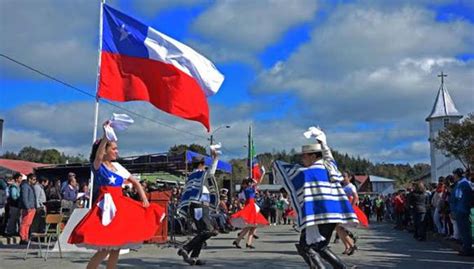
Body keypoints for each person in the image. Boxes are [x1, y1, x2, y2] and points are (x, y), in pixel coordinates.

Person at [68, 120, 165, 269]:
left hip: (120, 204)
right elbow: (99, 156)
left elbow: (135, 182)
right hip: (106, 206)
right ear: (105, 150)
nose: (117, 151)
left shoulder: (119, 167)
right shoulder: (98, 166)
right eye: (114, 149)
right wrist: (106, 136)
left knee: (117, 246)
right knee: (105, 248)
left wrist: (144, 198)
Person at [273, 127, 358, 269]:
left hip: (318, 216)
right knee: (321, 247)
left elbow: (282, 169)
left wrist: (276, 164)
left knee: (307, 248)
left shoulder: (306, 173)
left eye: (304, 156)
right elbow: (328, 156)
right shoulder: (330, 168)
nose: (302, 159)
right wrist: (322, 140)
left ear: (313, 156)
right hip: (333, 215)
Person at [177, 150, 219, 266]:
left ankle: (194, 257)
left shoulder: (191, 176)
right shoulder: (202, 174)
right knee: (208, 231)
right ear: (201, 164)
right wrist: (215, 158)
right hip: (200, 205)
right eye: (204, 163)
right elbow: (212, 171)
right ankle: (186, 248)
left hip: (193, 206)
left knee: (202, 232)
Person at [231, 178, 269, 249]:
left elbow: (257, 184)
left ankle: (243, 241)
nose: (252, 184)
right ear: (248, 183)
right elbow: (257, 184)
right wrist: (255, 181)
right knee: (250, 226)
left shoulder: (249, 189)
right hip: (250, 207)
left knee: (252, 226)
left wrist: (261, 176)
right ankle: (242, 241)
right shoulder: (247, 189)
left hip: (252, 206)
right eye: (250, 183)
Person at [450, 168, 473, 256]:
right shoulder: (466, 183)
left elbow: (458, 197)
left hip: (461, 209)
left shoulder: (461, 184)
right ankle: (467, 247)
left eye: (454, 174)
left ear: (457, 175)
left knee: (464, 230)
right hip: (463, 209)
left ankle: (467, 249)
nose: (453, 176)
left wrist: (454, 211)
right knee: (465, 230)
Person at [19, 173, 37, 244]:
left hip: (32, 207)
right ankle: (23, 238)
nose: (34, 181)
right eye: (33, 179)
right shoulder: (25, 186)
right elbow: (25, 198)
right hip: (28, 208)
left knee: (28, 223)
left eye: (35, 180)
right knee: (24, 223)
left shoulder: (30, 186)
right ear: (29, 179)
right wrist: (27, 207)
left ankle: (26, 237)